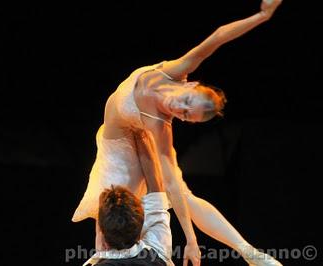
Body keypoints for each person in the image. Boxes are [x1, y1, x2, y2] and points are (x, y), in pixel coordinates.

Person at [73, 0, 283, 265]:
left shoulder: (161, 126)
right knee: (111, 222)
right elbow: (217, 38)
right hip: (116, 149)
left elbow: (171, 185)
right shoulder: (174, 71)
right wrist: (262, 16)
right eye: (185, 103)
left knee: (182, 195)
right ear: (190, 84)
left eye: (184, 116)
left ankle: (250, 253)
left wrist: (192, 241)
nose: (177, 109)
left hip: (138, 136)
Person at [84, 131, 174, 265]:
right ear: (141, 228)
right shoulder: (157, 253)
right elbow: (156, 184)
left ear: (103, 238)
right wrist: (138, 131)